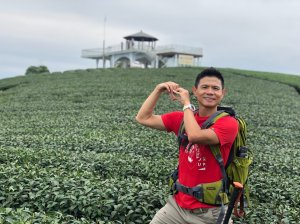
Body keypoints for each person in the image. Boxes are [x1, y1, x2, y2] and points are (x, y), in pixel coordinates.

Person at [135, 67, 238, 224]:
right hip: (177, 207)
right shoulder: (182, 119)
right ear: (195, 91)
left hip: (210, 213)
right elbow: (143, 118)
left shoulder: (228, 123)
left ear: (223, 93)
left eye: (215, 88)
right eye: (204, 87)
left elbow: (195, 136)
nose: (210, 92)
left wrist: (186, 104)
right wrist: (159, 89)